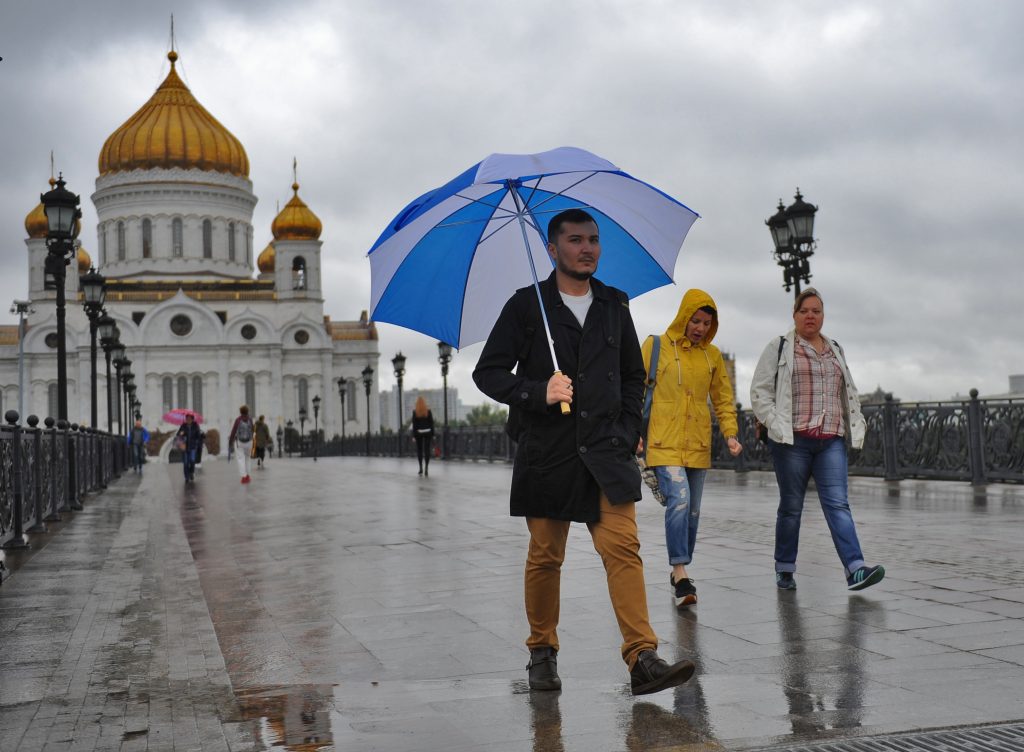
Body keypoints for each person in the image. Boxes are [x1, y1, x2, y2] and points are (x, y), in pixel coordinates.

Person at [473, 208, 695, 696]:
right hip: (548, 452)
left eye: (593, 239)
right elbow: (487, 374)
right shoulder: (526, 306)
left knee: (623, 551)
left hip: (606, 452)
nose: (587, 248)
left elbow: (634, 376)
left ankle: (642, 657)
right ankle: (542, 653)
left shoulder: (616, 304)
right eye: (575, 240)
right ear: (552, 250)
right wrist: (538, 391)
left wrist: (627, 427)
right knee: (546, 556)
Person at [750, 287, 885, 591]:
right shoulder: (780, 346)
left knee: (838, 504)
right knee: (791, 506)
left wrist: (856, 422)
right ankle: (784, 568)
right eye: (804, 311)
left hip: (830, 439)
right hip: (792, 441)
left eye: (816, 311)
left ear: (823, 316)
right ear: (794, 315)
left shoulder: (835, 347)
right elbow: (759, 391)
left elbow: (847, 388)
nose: (810, 316)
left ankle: (856, 569)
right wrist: (774, 424)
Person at [641, 289, 743, 609]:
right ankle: (680, 571)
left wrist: (730, 433)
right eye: (695, 320)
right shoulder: (655, 345)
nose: (699, 327)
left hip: (697, 442)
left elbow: (723, 399)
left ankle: (680, 569)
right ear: (684, 317)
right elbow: (632, 386)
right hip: (663, 439)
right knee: (680, 500)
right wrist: (632, 430)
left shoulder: (711, 356)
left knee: (693, 511)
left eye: (706, 323)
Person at [228, 405, 255, 484]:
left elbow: (233, 431)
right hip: (249, 442)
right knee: (248, 459)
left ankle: (244, 477)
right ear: (247, 412)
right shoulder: (250, 419)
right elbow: (253, 430)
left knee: (240, 459)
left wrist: (230, 442)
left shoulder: (238, 420)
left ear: (240, 412)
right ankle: (248, 475)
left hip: (240, 443)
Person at [410, 396, 435, 476]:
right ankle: (426, 468)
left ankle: (420, 468)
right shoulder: (428, 411)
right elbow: (431, 423)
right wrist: (433, 434)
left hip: (419, 433)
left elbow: (414, 425)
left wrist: (414, 435)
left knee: (420, 450)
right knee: (427, 450)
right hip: (428, 432)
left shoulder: (415, 412)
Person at [175, 413, 203, 484]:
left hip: (193, 447)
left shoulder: (196, 426)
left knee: (192, 460)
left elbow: (198, 435)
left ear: (192, 419)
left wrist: (198, 441)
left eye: (190, 419)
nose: (188, 420)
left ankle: (191, 472)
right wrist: (181, 433)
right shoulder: (183, 426)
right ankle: (186, 477)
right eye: (187, 419)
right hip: (185, 447)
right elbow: (178, 435)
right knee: (185, 463)